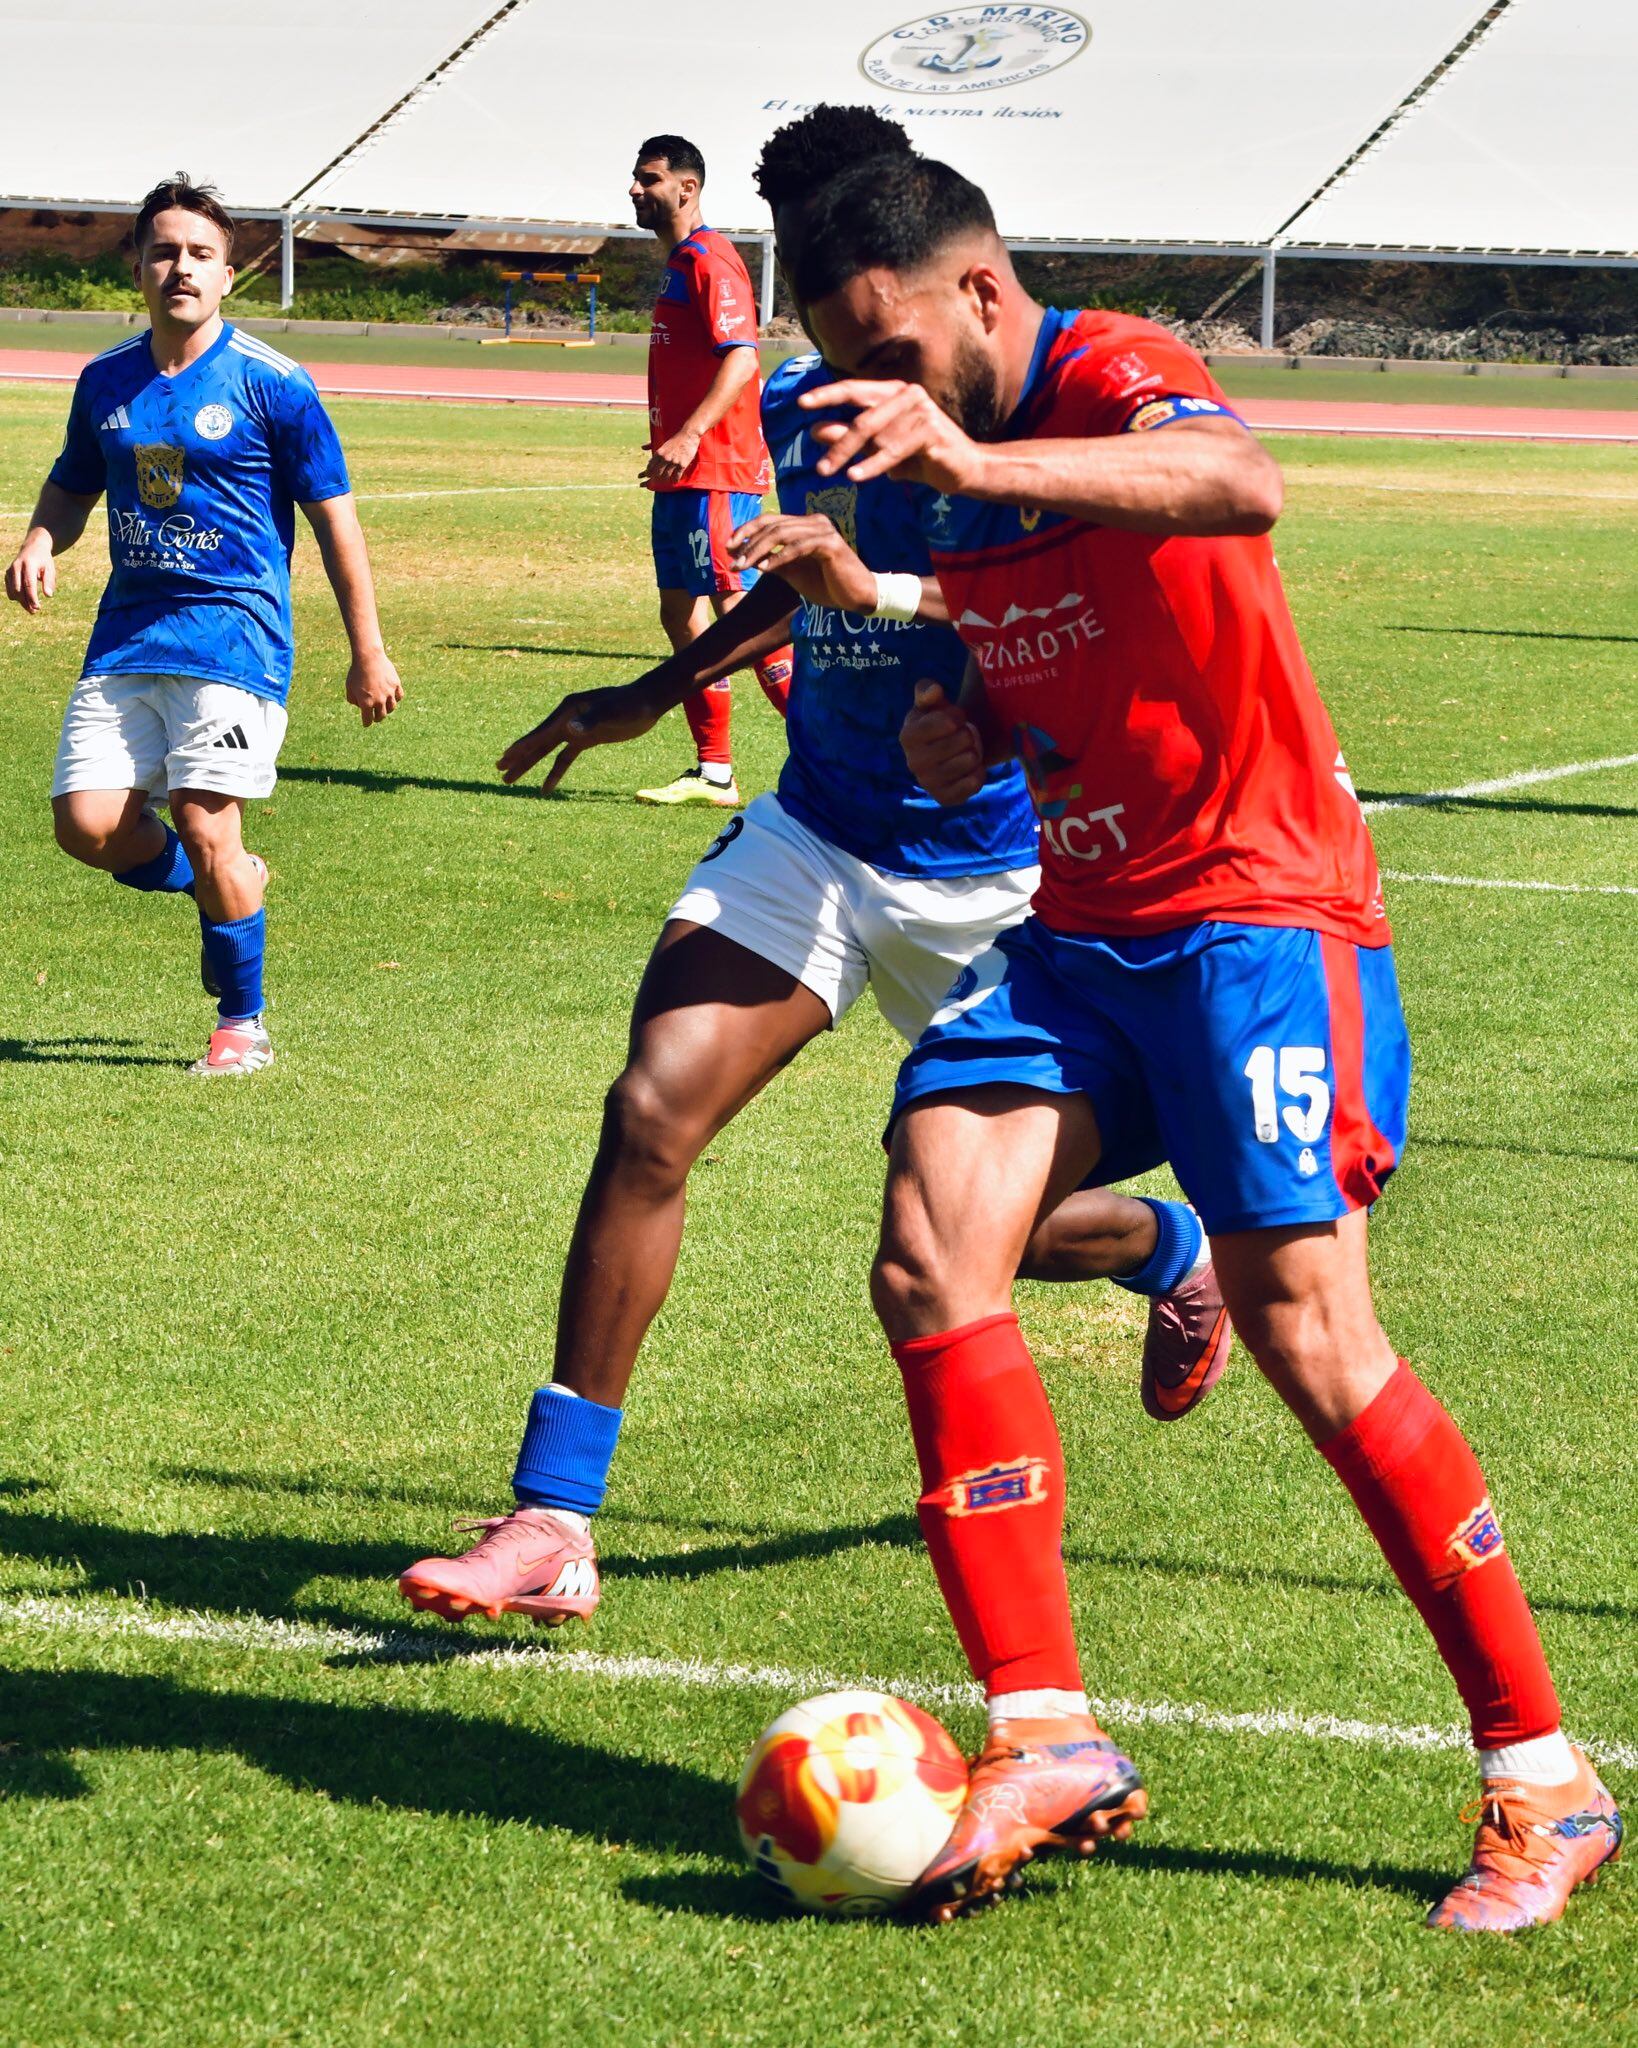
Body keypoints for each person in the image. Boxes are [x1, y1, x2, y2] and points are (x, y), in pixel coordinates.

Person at [783, 144, 1620, 1929]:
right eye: (842, 361)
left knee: (1312, 1333)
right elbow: (1020, 654)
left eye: (892, 349)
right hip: (1082, 926)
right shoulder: (930, 464)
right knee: (931, 1249)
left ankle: (1542, 1774)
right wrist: (960, 724)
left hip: (1257, 914)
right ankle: (1046, 1728)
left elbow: (1235, 484)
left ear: (981, 297)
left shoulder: (1106, 367)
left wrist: (971, 455)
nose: (879, 392)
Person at [395, 108, 1230, 1637]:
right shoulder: (801, 404)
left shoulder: (1012, 426)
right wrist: (653, 692)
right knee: (651, 1111)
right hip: (821, 833)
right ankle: (551, 1519)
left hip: (993, 882)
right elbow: (799, 580)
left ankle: (1167, 1245)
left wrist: (974, 707)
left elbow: (1084, 613)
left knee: (989, 1232)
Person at [4, 173, 402, 1075]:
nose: (180, 267)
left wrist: (367, 650)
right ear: (138, 267)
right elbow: (73, 485)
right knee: (86, 825)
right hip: (127, 637)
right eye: (164, 250)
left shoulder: (275, 385)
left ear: (228, 275)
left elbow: (336, 520)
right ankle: (224, 890)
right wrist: (39, 540)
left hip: (235, 635)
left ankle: (242, 1024)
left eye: (200, 254)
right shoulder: (106, 378)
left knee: (202, 813)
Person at [629, 133, 791, 808]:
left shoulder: (712, 260)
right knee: (679, 612)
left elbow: (743, 358)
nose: (636, 190)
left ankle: (838, 752)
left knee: (740, 611)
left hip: (717, 468)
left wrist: (692, 434)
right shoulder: (678, 263)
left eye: (649, 178)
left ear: (686, 188)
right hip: (682, 474)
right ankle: (714, 771)